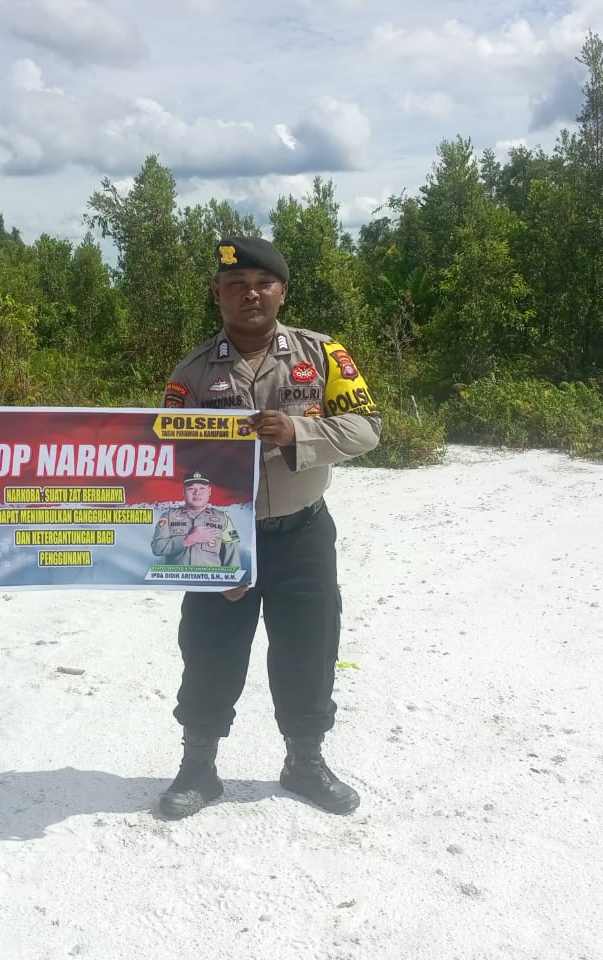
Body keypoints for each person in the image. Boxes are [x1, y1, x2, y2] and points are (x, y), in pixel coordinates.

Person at [156, 236, 381, 819]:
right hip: (223, 540)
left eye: (263, 284)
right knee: (209, 651)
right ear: (217, 294)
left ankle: (305, 761)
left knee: (309, 648)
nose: (250, 295)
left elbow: (367, 428)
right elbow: (170, 464)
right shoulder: (191, 374)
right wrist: (210, 556)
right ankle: (198, 767)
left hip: (303, 534)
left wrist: (298, 432)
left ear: (282, 291)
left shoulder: (322, 354)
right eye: (236, 285)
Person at [151, 469, 241, 568]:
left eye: (202, 488)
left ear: (209, 491)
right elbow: (157, 548)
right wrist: (189, 540)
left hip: (210, 577)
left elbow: (233, 558)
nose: (197, 493)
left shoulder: (223, 518)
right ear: (183, 491)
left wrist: (234, 577)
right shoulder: (168, 516)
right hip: (177, 577)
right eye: (191, 488)